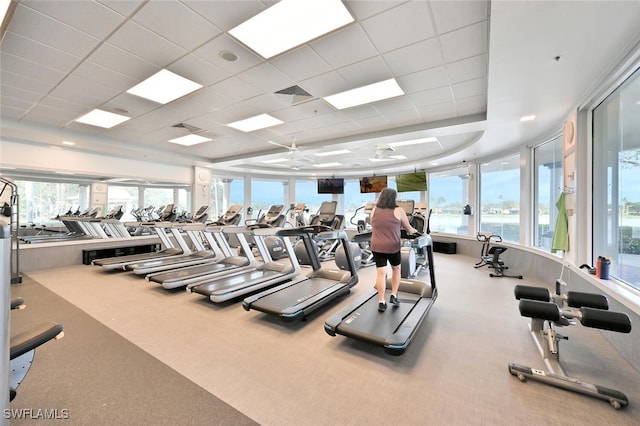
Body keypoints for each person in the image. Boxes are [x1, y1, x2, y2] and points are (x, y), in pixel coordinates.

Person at [370, 188, 419, 312]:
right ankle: (394, 295)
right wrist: (415, 231)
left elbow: (373, 224)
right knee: (396, 269)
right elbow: (409, 229)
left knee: (381, 273)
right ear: (394, 198)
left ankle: (381, 301)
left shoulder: (375, 209)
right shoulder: (399, 210)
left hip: (376, 246)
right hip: (392, 247)